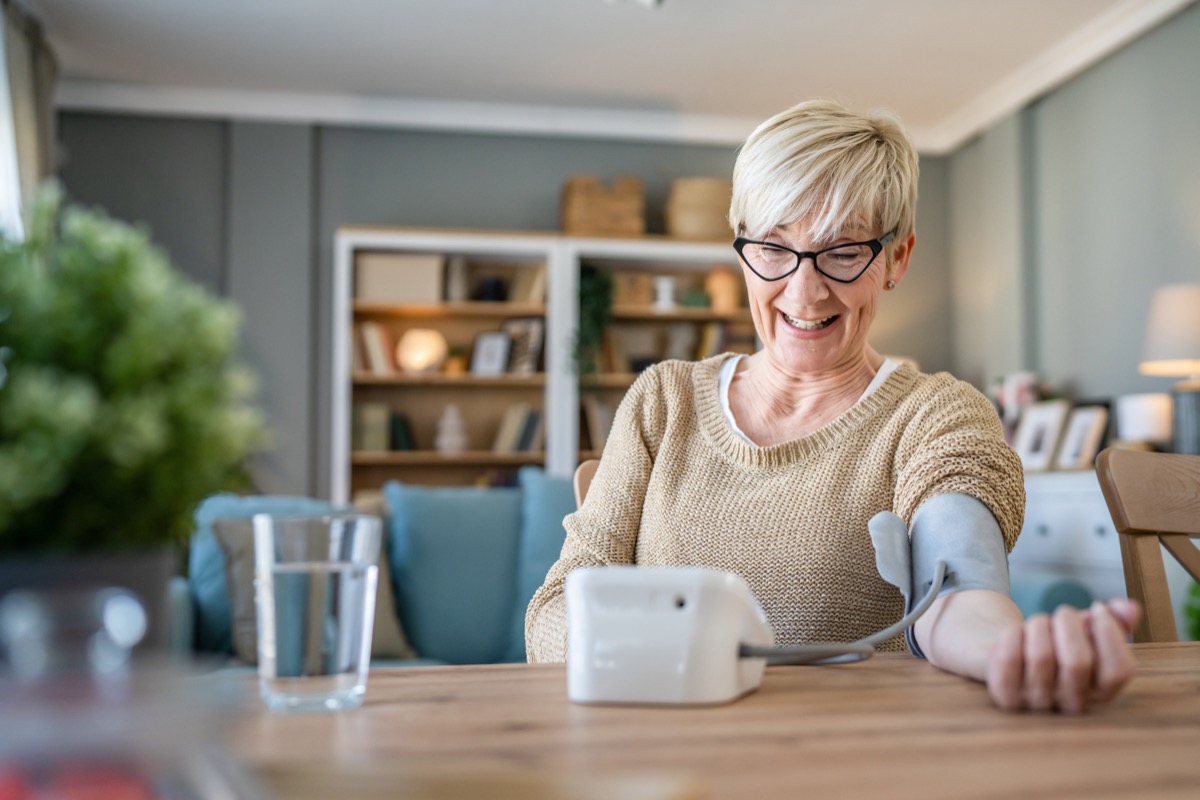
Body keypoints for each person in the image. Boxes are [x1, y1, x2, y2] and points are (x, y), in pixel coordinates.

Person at [525, 98, 1140, 713]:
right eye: (773, 246)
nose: (804, 290)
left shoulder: (938, 415)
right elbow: (557, 609)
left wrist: (1010, 649)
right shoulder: (662, 401)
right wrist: (655, 652)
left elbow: (956, 591)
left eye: (844, 252)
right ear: (740, 247)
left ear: (896, 257)